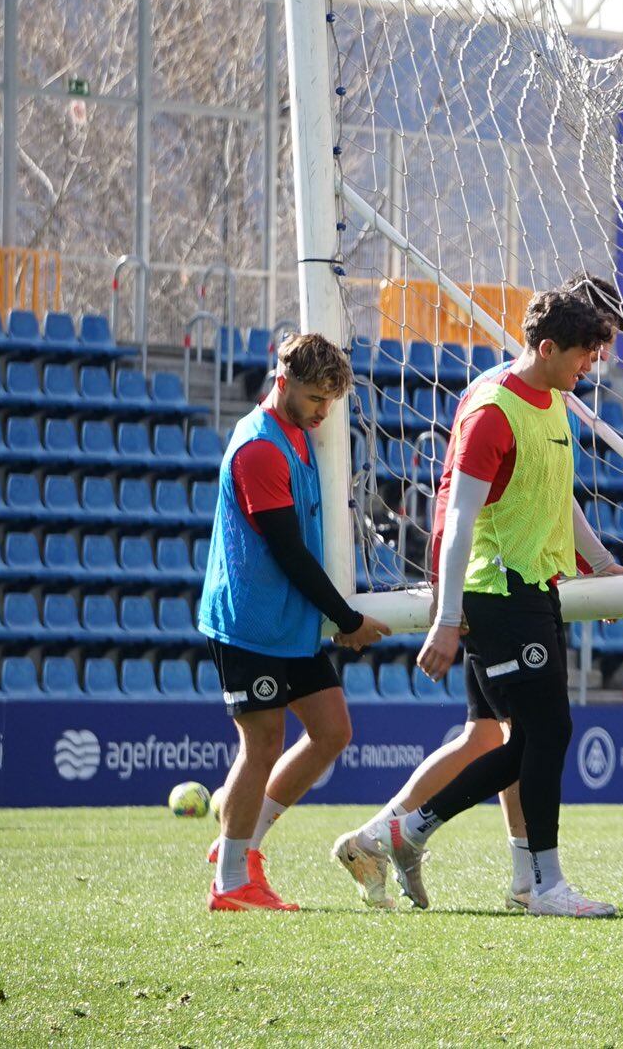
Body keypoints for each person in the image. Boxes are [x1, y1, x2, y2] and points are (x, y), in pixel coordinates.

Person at [331, 289, 623, 918]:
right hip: (497, 593)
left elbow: (558, 495)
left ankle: (409, 835)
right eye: (583, 353)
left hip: (535, 588)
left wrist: (600, 565)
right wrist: (447, 618)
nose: (590, 365)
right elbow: (459, 517)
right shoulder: (492, 411)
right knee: (544, 733)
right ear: (548, 348)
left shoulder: (554, 399)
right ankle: (542, 884)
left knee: (519, 737)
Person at [199, 332, 389, 910]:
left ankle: (240, 843)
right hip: (252, 620)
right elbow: (287, 552)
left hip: (291, 620)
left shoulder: (301, 431)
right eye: (315, 398)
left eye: (331, 401)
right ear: (283, 382)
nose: (323, 412)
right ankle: (232, 881)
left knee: (333, 731)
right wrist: (347, 619)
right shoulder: (260, 448)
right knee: (262, 743)